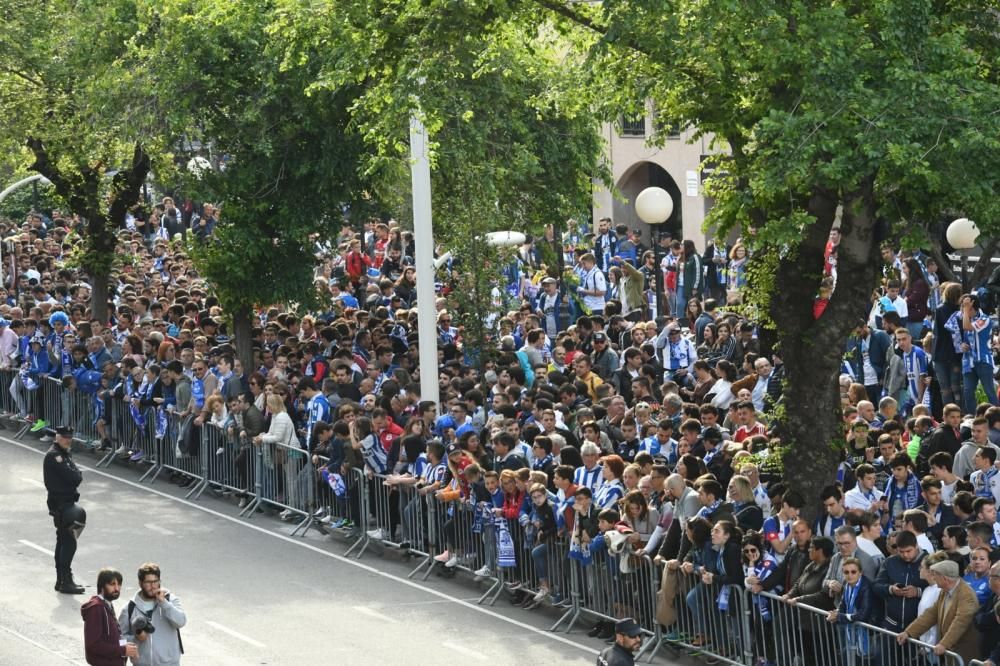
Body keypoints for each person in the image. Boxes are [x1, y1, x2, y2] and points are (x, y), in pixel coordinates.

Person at [899, 559, 982, 662]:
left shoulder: (966, 595)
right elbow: (931, 614)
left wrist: (944, 644)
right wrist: (909, 632)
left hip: (963, 651)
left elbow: (960, 623)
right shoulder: (945, 590)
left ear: (945, 579)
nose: (933, 578)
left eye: (935, 575)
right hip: (951, 650)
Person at [44, 425, 86, 594]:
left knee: (63, 540)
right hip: (61, 504)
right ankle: (65, 580)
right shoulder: (55, 456)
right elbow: (75, 477)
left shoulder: (63, 453)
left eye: (70, 437)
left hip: (66, 503)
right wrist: (76, 475)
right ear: (57, 437)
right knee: (68, 542)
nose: (68, 440)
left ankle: (61, 580)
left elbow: (77, 476)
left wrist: (76, 475)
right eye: (65, 437)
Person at [119, 563, 186, 666]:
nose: (153, 586)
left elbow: (181, 621)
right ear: (140, 583)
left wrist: (164, 604)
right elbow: (120, 641)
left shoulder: (170, 600)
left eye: (155, 581)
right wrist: (136, 638)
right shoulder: (129, 608)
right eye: (148, 582)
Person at [81, 567, 138, 665]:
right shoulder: (97, 608)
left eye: (119, 584)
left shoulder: (107, 604)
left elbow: (112, 639)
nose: (117, 588)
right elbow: (93, 645)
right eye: (112, 584)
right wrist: (122, 650)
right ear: (102, 586)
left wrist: (126, 646)